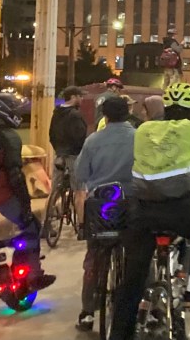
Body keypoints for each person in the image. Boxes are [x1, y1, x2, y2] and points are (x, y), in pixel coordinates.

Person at [109, 83, 190, 340]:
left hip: (142, 210)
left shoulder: (143, 130)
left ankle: (120, 333)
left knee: (131, 282)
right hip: (179, 208)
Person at [74, 97, 136, 331]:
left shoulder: (93, 141)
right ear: (128, 114)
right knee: (138, 253)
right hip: (131, 203)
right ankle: (145, 304)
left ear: (105, 115)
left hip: (101, 205)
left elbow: (81, 175)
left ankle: (88, 312)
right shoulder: (139, 137)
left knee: (96, 256)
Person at [0, 94, 56, 291]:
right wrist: (25, 205)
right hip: (0, 195)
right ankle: (34, 275)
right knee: (32, 225)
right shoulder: (8, 137)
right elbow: (15, 176)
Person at [49, 85, 88, 225]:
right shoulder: (75, 115)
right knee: (80, 191)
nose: (82, 99)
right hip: (74, 156)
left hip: (59, 155)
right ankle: (82, 226)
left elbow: (51, 135)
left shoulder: (56, 113)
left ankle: (47, 221)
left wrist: (58, 150)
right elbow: (81, 137)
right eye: (80, 96)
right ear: (73, 97)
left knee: (54, 190)